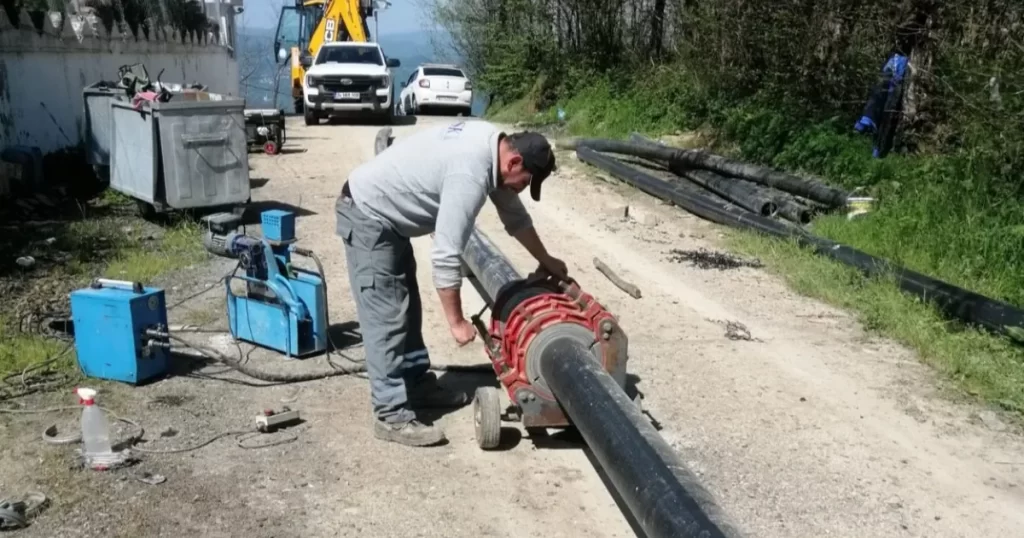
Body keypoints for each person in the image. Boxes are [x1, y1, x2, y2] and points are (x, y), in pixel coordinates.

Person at [335, 120, 568, 447]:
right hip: (368, 216)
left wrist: (545, 259)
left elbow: (515, 218)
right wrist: (456, 322)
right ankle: (390, 414)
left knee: (407, 310)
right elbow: (445, 253)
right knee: (386, 318)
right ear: (514, 163)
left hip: (389, 221)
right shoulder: (470, 173)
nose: (523, 189)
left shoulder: (493, 149)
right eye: (526, 181)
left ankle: (417, 385)